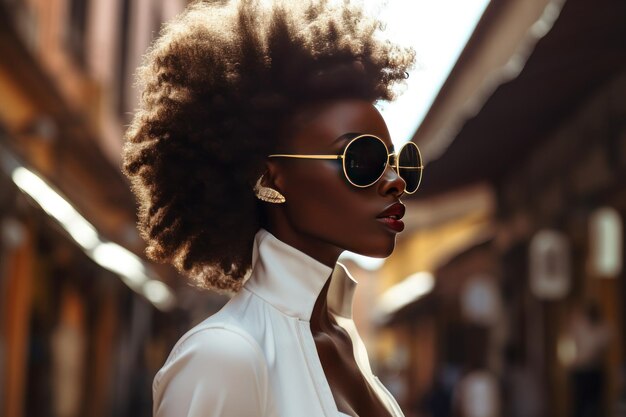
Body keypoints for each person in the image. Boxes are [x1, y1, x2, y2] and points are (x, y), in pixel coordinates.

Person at [121, 0, 419, 416]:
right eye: (363, 160)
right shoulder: (224, 356)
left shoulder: (344, 339)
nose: (395, 181)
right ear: (270, 178)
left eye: (396, 161)